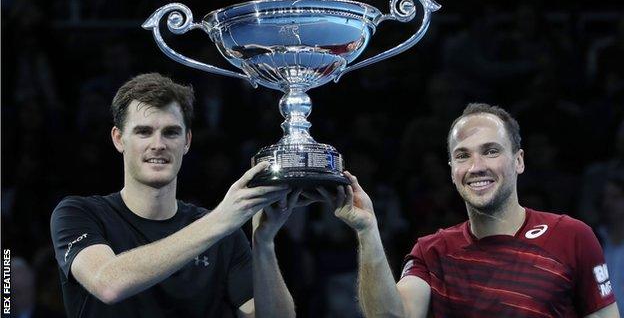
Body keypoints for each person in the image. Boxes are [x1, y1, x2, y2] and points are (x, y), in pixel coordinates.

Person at [314, 103, 620, 317]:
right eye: (463, 156)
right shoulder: (432, 252)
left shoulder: (572, 237)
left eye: (490, 151)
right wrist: (367, 231)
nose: (476, 167)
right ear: (451, 169)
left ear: (519, 161)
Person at [50, 73, 297, 318]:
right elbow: (108, 284)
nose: (158, 144)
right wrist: (221, 219)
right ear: (118, 139)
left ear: (187, 141)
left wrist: (264, 243)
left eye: (171, 132)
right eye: (144, 132)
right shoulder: (78, 214)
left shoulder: (224, 234)